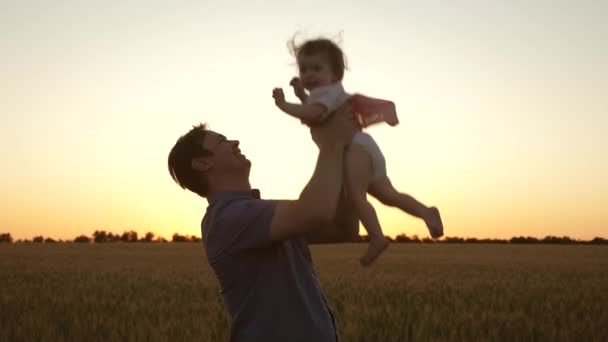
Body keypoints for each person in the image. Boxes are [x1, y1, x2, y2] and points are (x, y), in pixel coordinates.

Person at [168, 105, 359, 341]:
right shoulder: (228, 219)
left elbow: (345, 228)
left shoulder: (261, 214)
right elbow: (318, 211)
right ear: (203, 164)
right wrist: (331, 145)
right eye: (222, 141)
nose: (235, 142)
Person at [272, 37, 444, 266]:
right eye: (304, 69)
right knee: (387, 194)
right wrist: (300, 94)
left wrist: (284, 105)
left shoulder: (326, 94)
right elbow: (316, 107)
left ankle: (377, 238)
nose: (308, 74)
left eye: (316, 68)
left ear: (335, 74)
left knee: (354, 196)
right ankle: (426, 213)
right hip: (365, 147)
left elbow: (313, 114)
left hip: (353, 149)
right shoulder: (329, 93)